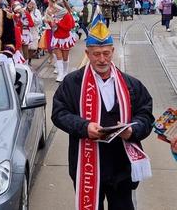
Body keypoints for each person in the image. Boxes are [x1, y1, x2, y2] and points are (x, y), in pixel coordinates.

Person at [52, 13, 154, 210]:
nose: (101, 59)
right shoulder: (72, 83)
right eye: (96, 54)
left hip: (121, 166)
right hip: (87, 166)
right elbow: (59, 113)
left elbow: (146, 115)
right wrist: (84, 126)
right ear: (87, 54)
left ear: (113, 51)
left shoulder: (131, 84)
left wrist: (132, 131)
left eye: (106, 53)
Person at [49, 0, 76, 82]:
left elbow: (69, 27)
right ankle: (60, 74)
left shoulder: (67, 15)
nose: (55, 10)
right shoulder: (55, 16)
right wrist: (52, 24)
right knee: (58, 57)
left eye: (56, 9)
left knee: (65, 57)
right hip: (57, 38)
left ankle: (65, 73)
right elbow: (52, 27)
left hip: (65, 38)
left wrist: (58, 23)